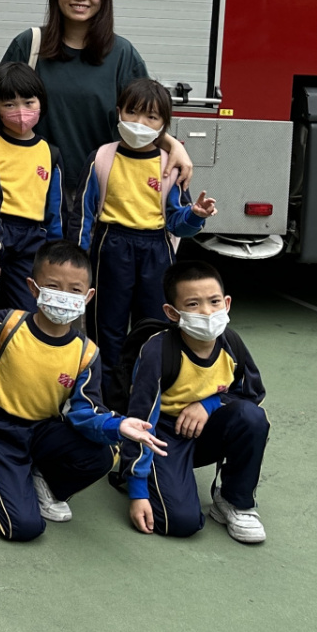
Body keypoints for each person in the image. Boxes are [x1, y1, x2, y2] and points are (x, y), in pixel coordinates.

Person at [0, 240, 166, 541]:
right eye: (53, 286)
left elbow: (84, 411)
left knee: (104, 453)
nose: (64, 296)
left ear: (88, 296)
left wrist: (118, 425)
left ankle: (43, 480)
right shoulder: (8, 325)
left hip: (42, 430)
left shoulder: (86, 352)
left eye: (75, 290)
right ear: (33, 287)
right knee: (23, 527)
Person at [0, 0, 191, 235]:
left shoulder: (122, 55)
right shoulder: (30, 45)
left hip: (99, 193)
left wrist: (174, 146)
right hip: (30, 189)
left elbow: (144, 118)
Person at [79, 77, 218, 410]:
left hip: (156, 251)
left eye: (151, 117)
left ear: (163, 125)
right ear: (119, 112)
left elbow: (178, 222)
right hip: (111, 247)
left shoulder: (170, 165)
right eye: (132, 113)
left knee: (154, 328)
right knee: (106, 329)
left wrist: (196, 215)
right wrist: (79, 262)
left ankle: (146, 402)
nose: (140, 123)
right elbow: (82, 216)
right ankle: (105, 406)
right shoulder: (102, 158)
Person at [121, 259, 269, 543]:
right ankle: (154, 475)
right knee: (180, 522)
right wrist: (138, 492)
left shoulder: (231, 343)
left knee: (251, 417)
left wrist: (208, 405)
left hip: (204, 431)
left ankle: (234, 501)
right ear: (172, 312)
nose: (207, 312)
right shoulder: (158, 351)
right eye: (193, 304)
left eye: (214, 301)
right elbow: (138, 422)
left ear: (227, 303)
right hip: (162, 436)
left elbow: (252, 394)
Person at [0, 61, 62, 311]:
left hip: (31, 241)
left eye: (28, 102)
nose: (21, 112)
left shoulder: (50, 152)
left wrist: (54, 254)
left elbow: (54, 211)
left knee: (25, 312)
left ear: (41, 102)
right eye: (9, 104)